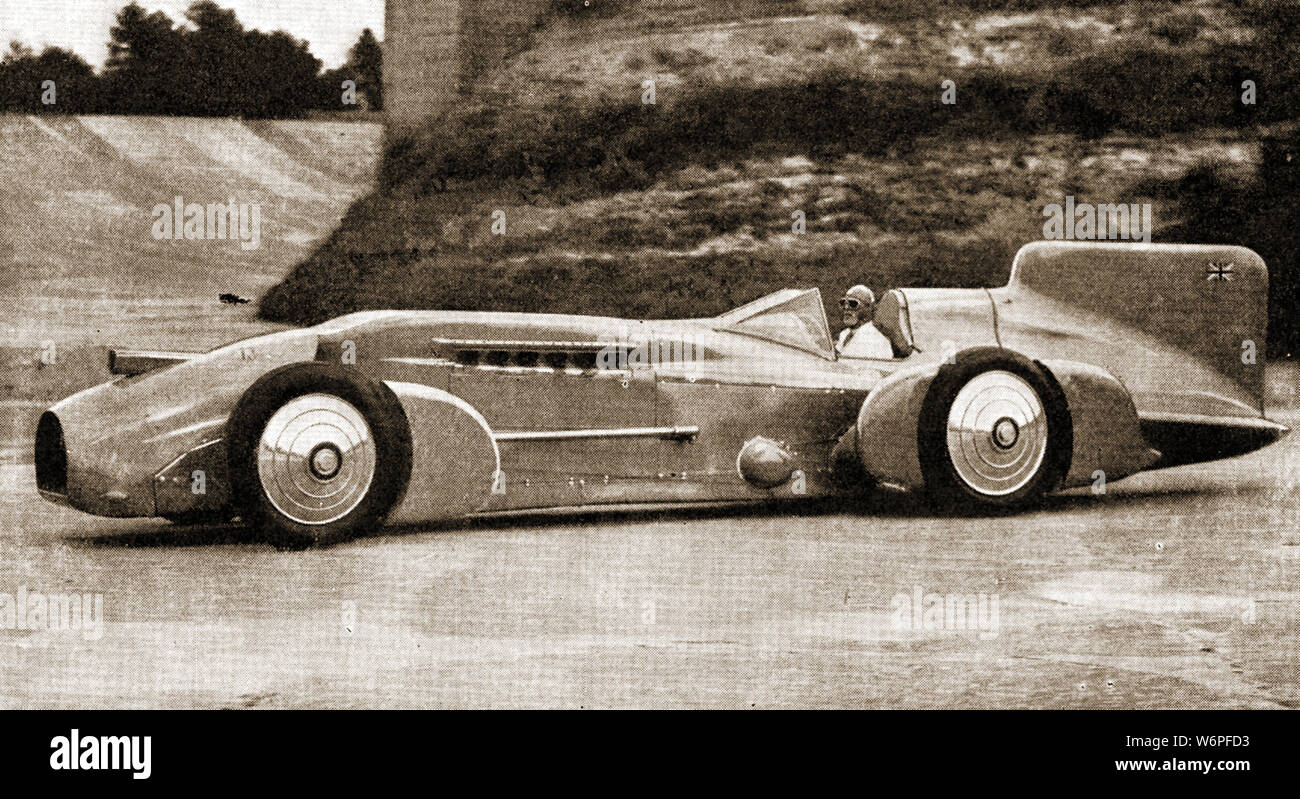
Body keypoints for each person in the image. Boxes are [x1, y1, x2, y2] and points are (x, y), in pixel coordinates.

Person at [835, 284, 893, 359]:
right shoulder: (844, 334)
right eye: (843, 303)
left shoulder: (877, 341)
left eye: (853, 304)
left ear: (868, 308)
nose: (846, 308)